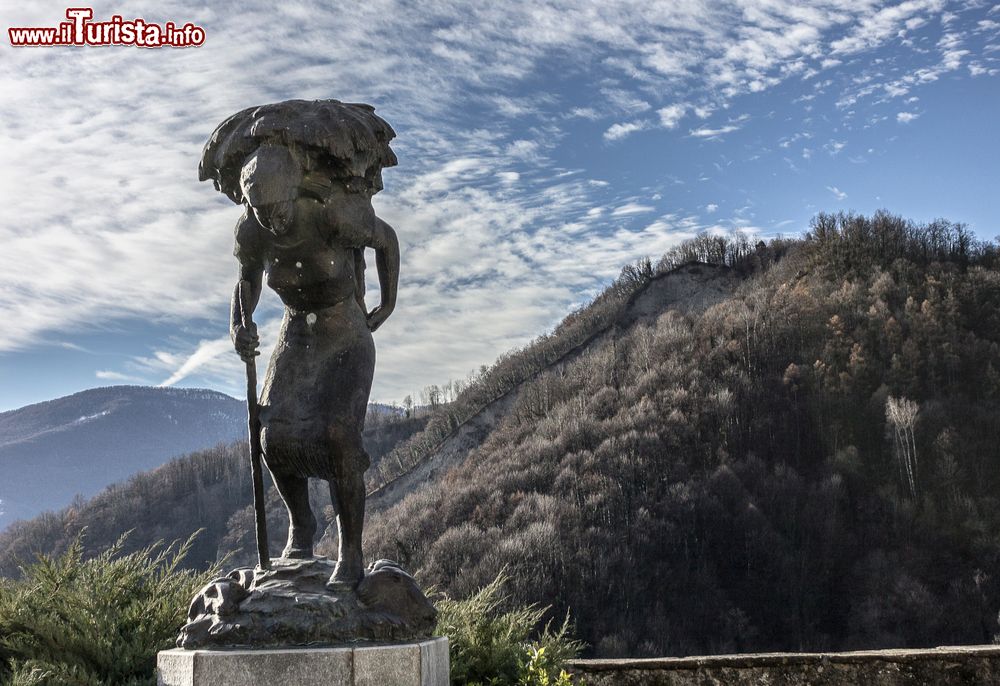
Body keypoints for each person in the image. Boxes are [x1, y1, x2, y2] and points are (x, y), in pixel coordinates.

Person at [229, 143, 399, 590]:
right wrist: (239, 325)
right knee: (272, 432)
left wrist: (387, 302)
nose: (272, 219)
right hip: (297, 334)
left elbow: (386, 240)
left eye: (278, 207)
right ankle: (301, 528)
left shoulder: (333, 215)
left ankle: (350, 552)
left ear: (292, 192)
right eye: (261, 210)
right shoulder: (252, 232)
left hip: (345, 333)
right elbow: (246, 282)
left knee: (339, 437)